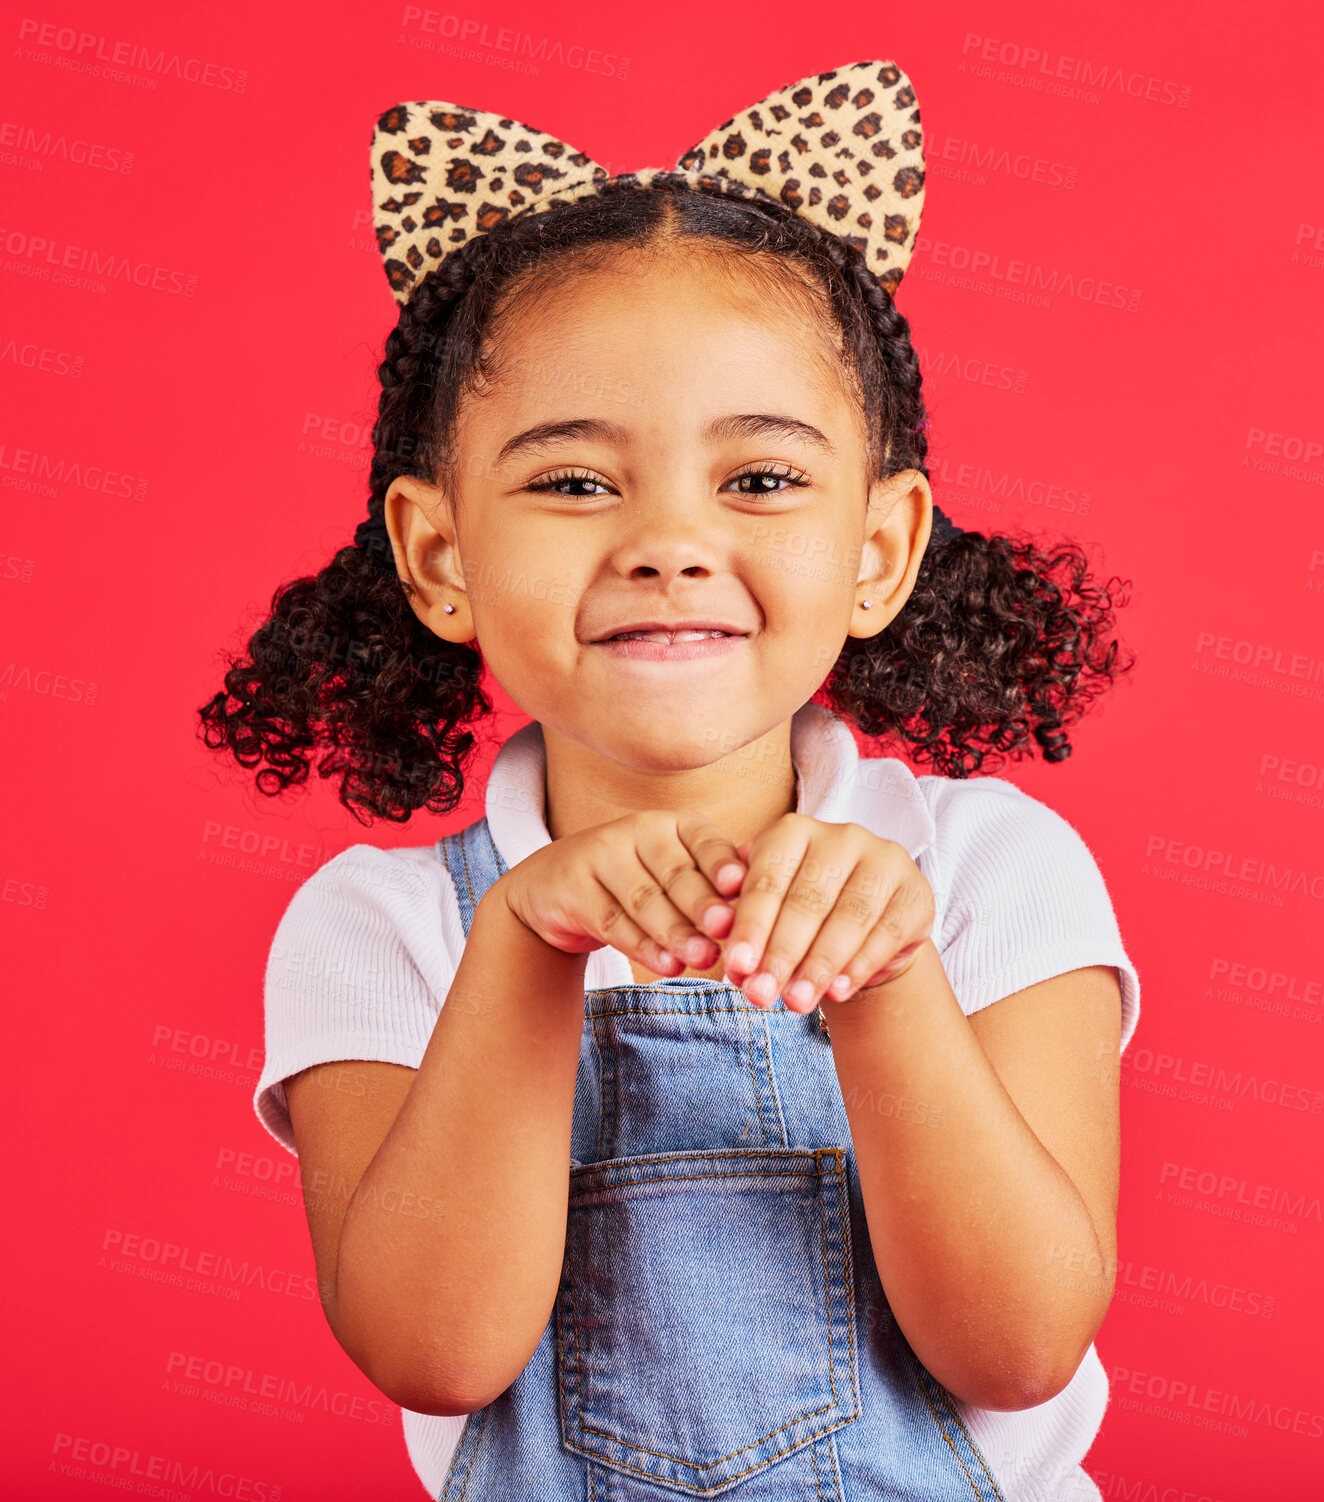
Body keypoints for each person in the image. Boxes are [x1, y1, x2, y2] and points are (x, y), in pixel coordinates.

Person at [198, 59, 1140, 1502]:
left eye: (758, 480)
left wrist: (887, 977)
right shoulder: (381, 925)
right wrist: (525, 943)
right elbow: (433, 1347)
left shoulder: (992, 870)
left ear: (879, 549)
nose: (667, 542)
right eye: (575, 482)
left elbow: (1017, 1341)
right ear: (441, 554)